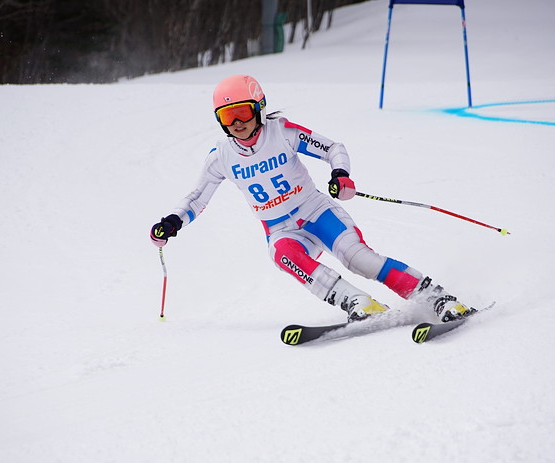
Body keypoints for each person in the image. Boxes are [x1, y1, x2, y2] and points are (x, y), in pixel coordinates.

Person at [150, 74, 473, 323]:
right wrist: (172, 222)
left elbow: (334, 148)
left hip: (317, 212)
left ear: (259, 107)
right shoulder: (220, 156)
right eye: (227, 117)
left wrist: (340, 175)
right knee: (280, 253)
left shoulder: (283, 133)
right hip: (281, 229)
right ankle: (358, 302)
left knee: (359, 259)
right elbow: (196, 198)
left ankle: (437, 298)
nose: (237, 124)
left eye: (242, 113)